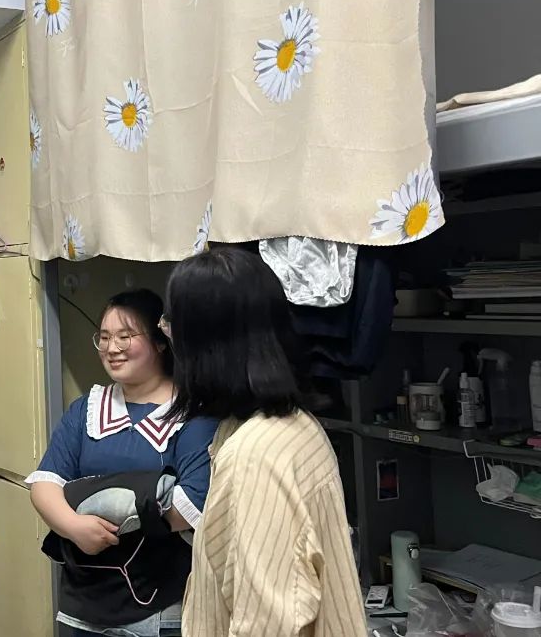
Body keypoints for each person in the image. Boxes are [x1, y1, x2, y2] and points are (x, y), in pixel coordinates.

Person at [164, 248, 367, 637]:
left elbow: (267, 626)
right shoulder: (288, 425)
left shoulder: (256, 457)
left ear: (203, 344)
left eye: (171, 326)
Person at [27, 289, 218, 637]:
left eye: (125, 336)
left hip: (159, 610)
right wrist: (74, 526)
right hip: (83, 604)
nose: (112, 348)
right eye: (104, 337)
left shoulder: (190, 412)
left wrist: (95, 503)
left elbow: (191, 504)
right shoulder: (87, 409)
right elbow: (45, 484)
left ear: (160, 342)